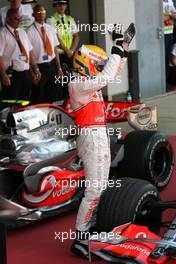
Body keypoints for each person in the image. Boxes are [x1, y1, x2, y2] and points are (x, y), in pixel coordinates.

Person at [68, 23, 136, 258]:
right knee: (94, 190)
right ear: (85, 63)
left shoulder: (88, 82)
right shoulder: (77, 84)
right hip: (90, 136)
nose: (98, 67)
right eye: (95, 63)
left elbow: (113, 71)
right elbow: (108, 74)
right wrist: (117, 46)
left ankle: (91, 229)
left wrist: (123, 46)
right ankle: (80, 237)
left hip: (98, 135)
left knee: (101, 188)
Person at [0, 8, 40, 100]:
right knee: (12, 102)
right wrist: (3, 75)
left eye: (19, 18)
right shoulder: (2, 33)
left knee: (25, 100)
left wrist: (35, 69)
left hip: (25, 73)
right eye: (15, 18)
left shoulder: (22, 32)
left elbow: (28, 53)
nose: (18, 20)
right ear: (7, 19)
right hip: (12, 75)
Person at [27, 4, 63, 103]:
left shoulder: (50, 28)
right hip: (39, 67)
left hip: (52, 65)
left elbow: (55, 48)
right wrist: (34, 70)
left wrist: (59, 68)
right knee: (38, 95)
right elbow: (29, 54)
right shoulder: (29, 31)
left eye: (43, 12)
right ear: (33, 14)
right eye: (38, 12)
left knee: (53, 93)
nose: (41, 14)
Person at [47, 0, 79, 99]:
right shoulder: (50, 20)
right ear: (55, 6)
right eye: (59, 4)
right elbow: (55, 38)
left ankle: (70, 99)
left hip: (70, 54)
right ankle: (60, 101)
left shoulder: (70, 19)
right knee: (59, 80)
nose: (61, 6)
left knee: (71, 79)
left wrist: (72, 50)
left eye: (63, 4)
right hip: (59, 54)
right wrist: (67, 50)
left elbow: (76, 36)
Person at [163, 0, 176, 84]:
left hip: (170, 32)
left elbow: (175, 15)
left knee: (167, 56)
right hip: (161, 33)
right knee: (162, 57)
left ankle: (166, 80)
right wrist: (170, 15)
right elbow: (159, 17)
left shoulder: (170, 1)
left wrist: (169, 15)